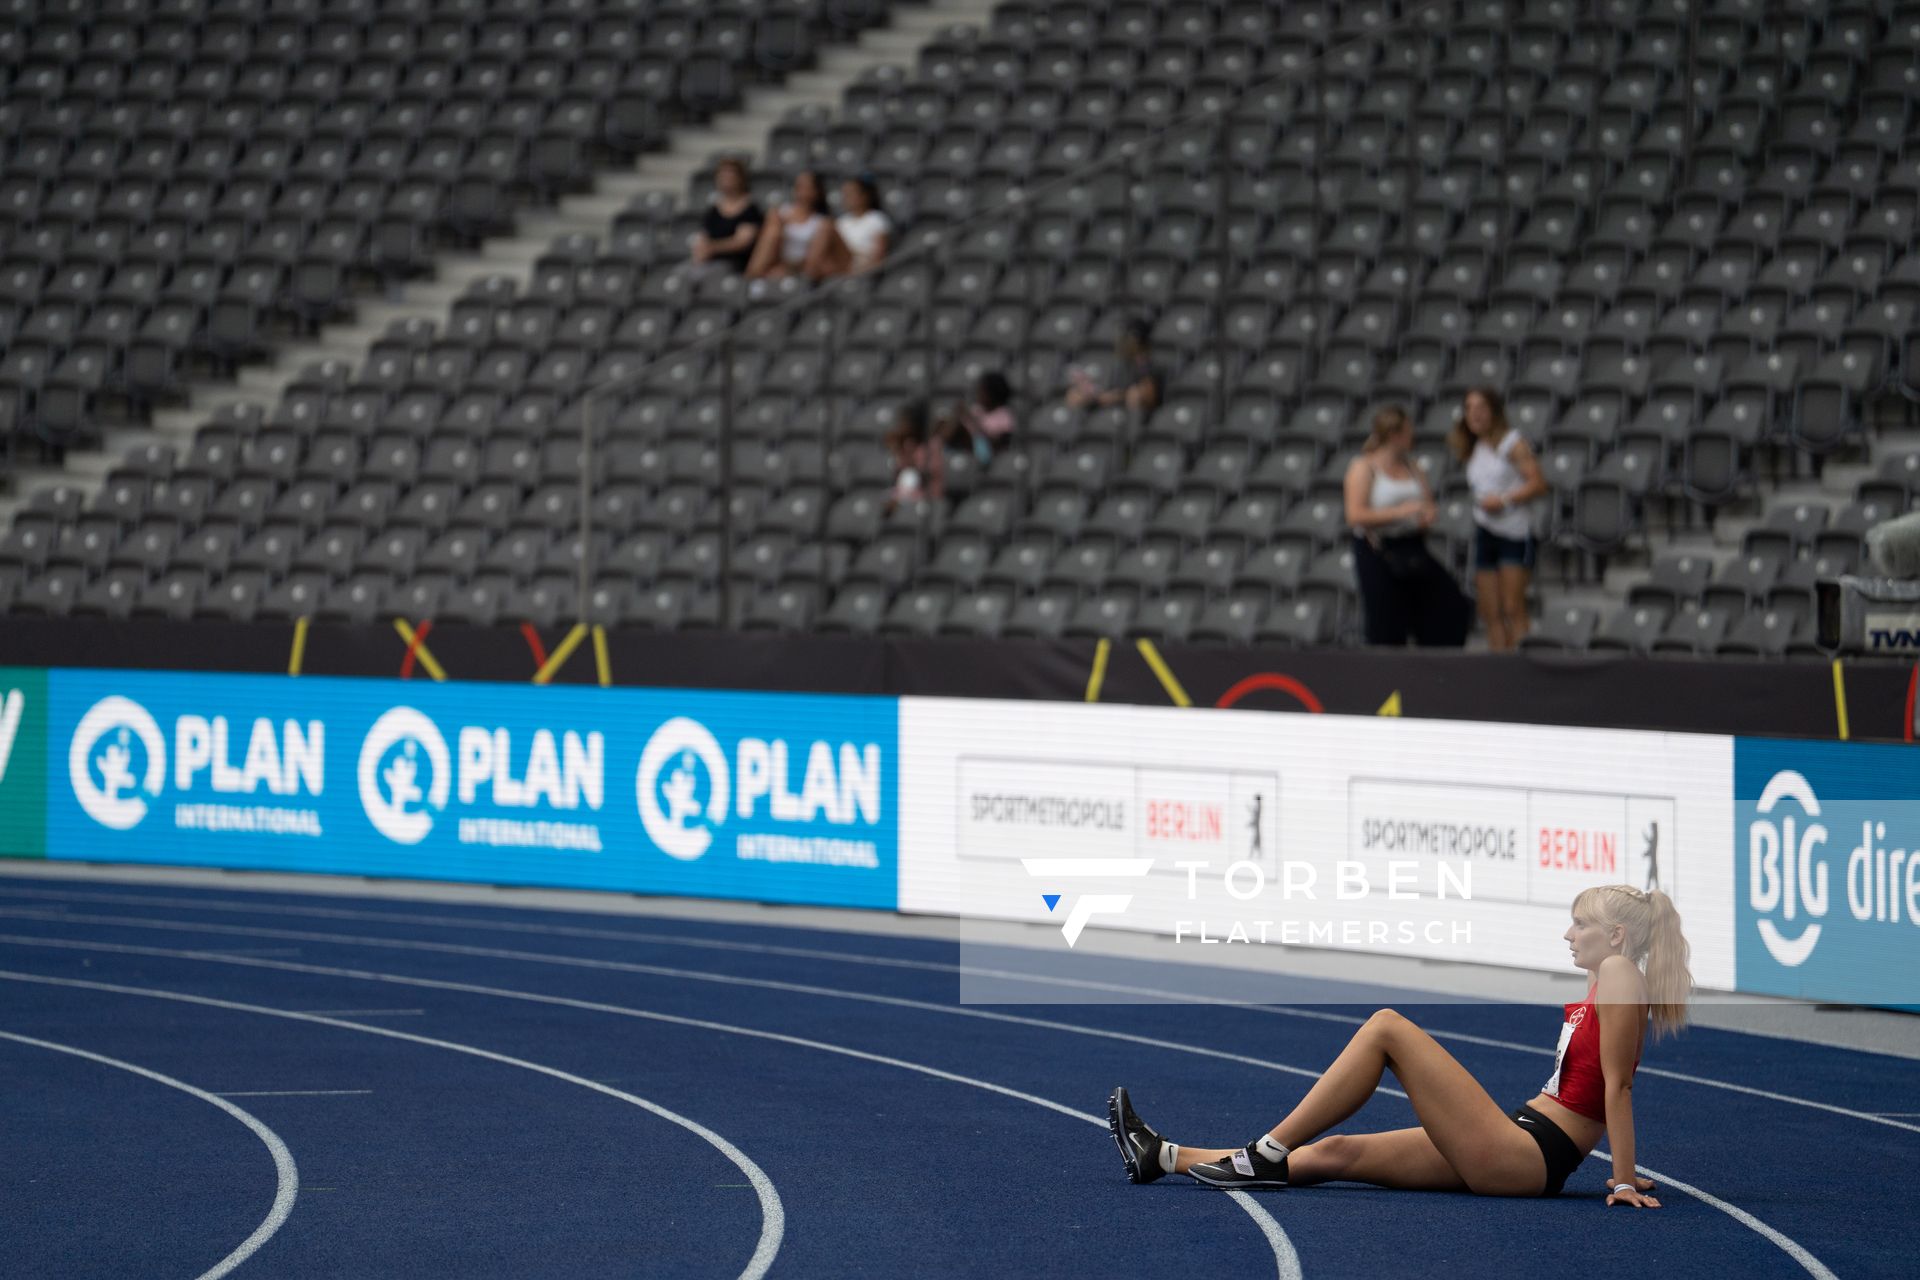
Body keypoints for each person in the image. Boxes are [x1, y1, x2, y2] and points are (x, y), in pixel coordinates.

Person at [1110, 884, 1691, 1207]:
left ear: (1615, 937)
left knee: (1387, 1026)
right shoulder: (1606, 975)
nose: (1568, 933)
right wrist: (1621, 1170)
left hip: (1526, 1155)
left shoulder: (1618, 972)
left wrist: (1619, 1179)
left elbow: (1618, 1085)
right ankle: (1164, 1157)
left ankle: (1268, 1148)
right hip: (1522, 1140)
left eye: (1581, 924)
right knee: (1338, 1152)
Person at [1343, 406, 1470, 647]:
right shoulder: (1363, 467)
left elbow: (1427, 504)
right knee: (1386, 621)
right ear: (1394, 435)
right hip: (1377, 549)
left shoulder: (1413, 466)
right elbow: (1354, 515)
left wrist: (1425, 516)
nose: (1412, 438)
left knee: (1449, 605)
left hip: (1412, 545)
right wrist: (1400, 512)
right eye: (1408, 432)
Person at [1450, 387, 1548, 651]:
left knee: (1512, 606)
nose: (1475, 414)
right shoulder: (1475, 446)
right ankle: (1499, 668)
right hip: (1486, 530)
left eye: (1481, 407)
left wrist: (1503, 500)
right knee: (1490, 611)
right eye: (1469, 408)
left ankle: (1522, 669)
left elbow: (1539, 484)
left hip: (1514, 533)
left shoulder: (1512, 443)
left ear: (1493, 410)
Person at [744, 170, 828, 281]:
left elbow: (814, 260)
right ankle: (751, 277)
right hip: (775, 261)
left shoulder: (822, 222)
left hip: (798, 267)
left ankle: (750, 279)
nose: (802, 191)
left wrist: (789, 267)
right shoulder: (779, 213)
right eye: (798, 186)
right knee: (773, 232)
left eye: (807, 187)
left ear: (817, 191)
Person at [805, 175, 891, 280]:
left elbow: (879, 256)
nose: (847, 198)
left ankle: (807, 278)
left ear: (865, 195)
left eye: (851, 193)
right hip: (840, 262)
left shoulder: (876, 219)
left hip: (859, 263)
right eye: (845, 194)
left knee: (826, 227)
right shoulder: (842, 221)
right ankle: (806, 280)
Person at [1066, 318, 1160, 414]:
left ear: (1135, 339)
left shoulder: (1146, 364)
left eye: (1124, 336)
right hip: (1107, 407)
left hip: (1128, 412)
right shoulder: (1119, 363)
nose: (1119, 340)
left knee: (1135, 395)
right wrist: (1096, 396)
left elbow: (1146, 395)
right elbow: (1108, 389)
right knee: (1075, 395)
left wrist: (1117, 396)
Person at [687, 158, 762, 276]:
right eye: (722, 176)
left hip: (733, 263)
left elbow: (742, 242)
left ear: (740, 179)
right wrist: (700, 251)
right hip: (709, 260)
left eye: (730, 176)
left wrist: (712, 248)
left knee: (701, 275)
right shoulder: (713, 209)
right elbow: (703, 235)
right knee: (680, 274)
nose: (726, 180)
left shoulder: (750, 209)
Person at [936, 371, 1016, 464]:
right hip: (962, 451)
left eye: (982, 391)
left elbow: (996, 444)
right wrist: (957, 415)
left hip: (987, 456)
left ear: (992, 393)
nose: (978, 394)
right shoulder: (976, 409)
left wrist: (973, 423)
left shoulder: (1004, 415)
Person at [885, 399, 943, 511]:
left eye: (904, 422)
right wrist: (897, 448)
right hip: (906, 494)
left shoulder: (932, 445)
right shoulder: (907, 443)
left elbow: (924, 475)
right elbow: (898, 472)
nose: (900, 426)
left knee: (910, 476)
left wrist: (910, 459)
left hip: (927, 495)